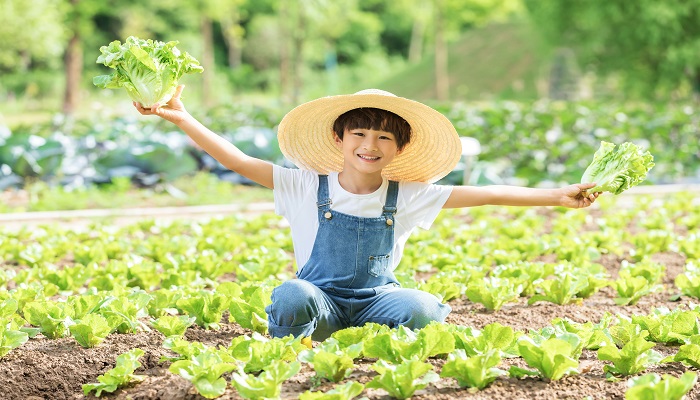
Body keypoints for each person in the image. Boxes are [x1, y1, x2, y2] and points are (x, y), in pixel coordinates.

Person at [134, 86, 600, 345]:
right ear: (339, 139)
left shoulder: (409, 194)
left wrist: (556, 195)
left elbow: (488, 194)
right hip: (322, 301)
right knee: (293, 293)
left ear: (398, 149)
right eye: (359, 133)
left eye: (383, 139)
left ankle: (368, 341)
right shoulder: (303, 185)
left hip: (378, 302)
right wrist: (181, 117)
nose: (369, 146)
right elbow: (236, 159)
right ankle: (298, 343)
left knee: (418, 306)